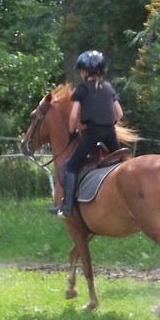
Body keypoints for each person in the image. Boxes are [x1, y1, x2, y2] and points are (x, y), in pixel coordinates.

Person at [50, 50, 123, 217]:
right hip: (110, 133)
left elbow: (74, 116)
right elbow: (119, 114)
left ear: (84, 72)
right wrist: (107, 123)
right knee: (121, 162)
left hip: (92, 134)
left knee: (71, 166)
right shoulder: (108, 88)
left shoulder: (82, 89)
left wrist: (72, 132)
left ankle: (66, 207)